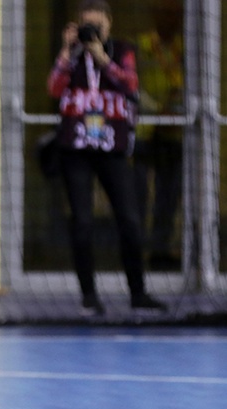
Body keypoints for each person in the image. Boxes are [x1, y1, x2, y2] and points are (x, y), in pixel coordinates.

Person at [47, 0, 166, 316]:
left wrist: (100, 56)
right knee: (82, 222)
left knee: (129, 219)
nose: (92, 32)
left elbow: (131, 85)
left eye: (97, 26)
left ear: (109, 24)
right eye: (87, 26)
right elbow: (54, 88)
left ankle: (138, 293)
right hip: (77, 148)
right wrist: (66, 51)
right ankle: (89, 295)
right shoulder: (72, 56)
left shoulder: (122, 50)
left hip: (112, 147)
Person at [134, 0, 183, 271]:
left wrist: (176, 112)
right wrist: (157, 110)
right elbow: (132, 84)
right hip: (144, 130)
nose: (170, 19)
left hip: (175, 131)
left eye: (175, 14)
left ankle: (161, 249)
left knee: (169, 193)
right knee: (139, 193)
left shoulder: (187, 49)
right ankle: (136, 251)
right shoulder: (141, 46)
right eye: (165, 13)